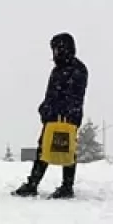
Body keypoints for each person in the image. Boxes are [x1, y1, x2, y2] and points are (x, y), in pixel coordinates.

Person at [12, 32, 89, 199]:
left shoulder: (77, 69)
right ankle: (34, 184)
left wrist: (59, 111)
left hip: (65, 118)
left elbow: (73, 96)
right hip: (53, 117)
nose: (55, 53)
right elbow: (52, 94)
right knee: (44, 148)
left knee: (66, 150)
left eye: (57, 48)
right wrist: (44, 108)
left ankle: (65, 187)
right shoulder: (58, 69)